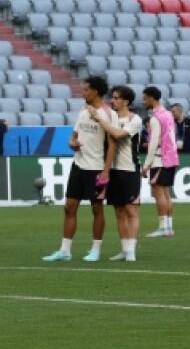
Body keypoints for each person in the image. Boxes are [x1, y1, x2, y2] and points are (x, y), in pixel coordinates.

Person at [43, 75, 117, 262]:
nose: (82, 92)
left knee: (96, 208)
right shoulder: (84, 110)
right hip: (79, 165)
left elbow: (113, 144)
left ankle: (96, 250)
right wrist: (72, 142)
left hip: (96, 168)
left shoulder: (109, 114)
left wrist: (106, 171)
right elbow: (74, 135)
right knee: (69, 207)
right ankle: (65, 250)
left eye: (85, 89)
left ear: (95, 91)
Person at [94, 85, 143, 262]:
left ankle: (131, 251)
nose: (112, 101)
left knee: (131, 210)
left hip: (129, 169)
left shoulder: (135, 119)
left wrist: (100, 120)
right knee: (118, 211)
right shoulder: (112, 118)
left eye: (116, 98)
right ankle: (125, 249)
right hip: (113, 170)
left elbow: (117, 133)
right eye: (112, 97)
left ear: (125, 101)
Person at [142, 87, 179, 237]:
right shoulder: (168, 115)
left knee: (159, 192)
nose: (143, 102)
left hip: (159, 158)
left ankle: (163, 227)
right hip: (171, 157)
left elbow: (154, 141)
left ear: (152, 98)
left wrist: (146, 165)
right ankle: (169, 227)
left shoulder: (155, 118)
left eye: (145, 99)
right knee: (166, 193)